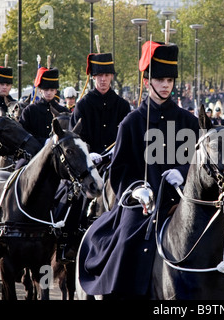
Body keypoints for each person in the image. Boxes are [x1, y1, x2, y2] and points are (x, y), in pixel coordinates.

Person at [78, 40, 200, 299]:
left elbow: (199, 163)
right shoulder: (131, 123)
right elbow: (120, 171)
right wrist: (136, 190)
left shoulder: (189, 121)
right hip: (144, 205)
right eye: (159, 79)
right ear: (147, 82)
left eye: (169, 79)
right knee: (126, 242)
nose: (166, 84)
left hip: (183, 202)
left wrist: (183, 169)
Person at [54, 53, 131, 262]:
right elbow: (73, 140)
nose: (103, 79)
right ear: (93, 77)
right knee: (75, 197)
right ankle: (68, 242)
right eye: (99, 75)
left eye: (106, 75)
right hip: (89, 166)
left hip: (116, 164)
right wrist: (89, 154)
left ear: (112, 77)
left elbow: (128, 138)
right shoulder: (82, 106)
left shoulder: (123, 106)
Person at [19, 67, 69, 145]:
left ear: (55, 91)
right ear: (40, 90)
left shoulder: (64, 111)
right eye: (46, 90)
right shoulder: (30, 110)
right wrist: (43, 141)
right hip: (35, 151)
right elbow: (23, 133)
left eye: (52, 90)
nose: (49, 93)